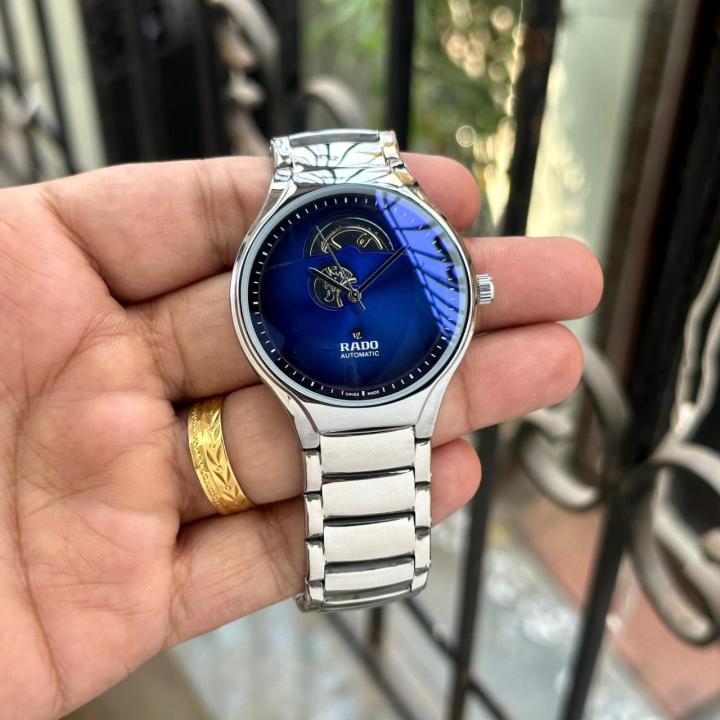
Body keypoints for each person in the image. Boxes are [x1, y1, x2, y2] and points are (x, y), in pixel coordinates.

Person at [0, 153, 602, 719]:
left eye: (363, 282)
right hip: (316, 388)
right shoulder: (276, 297)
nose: (355, 292)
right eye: (345, 285)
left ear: (475, 292)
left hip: (401, 383)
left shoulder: (423, 287)